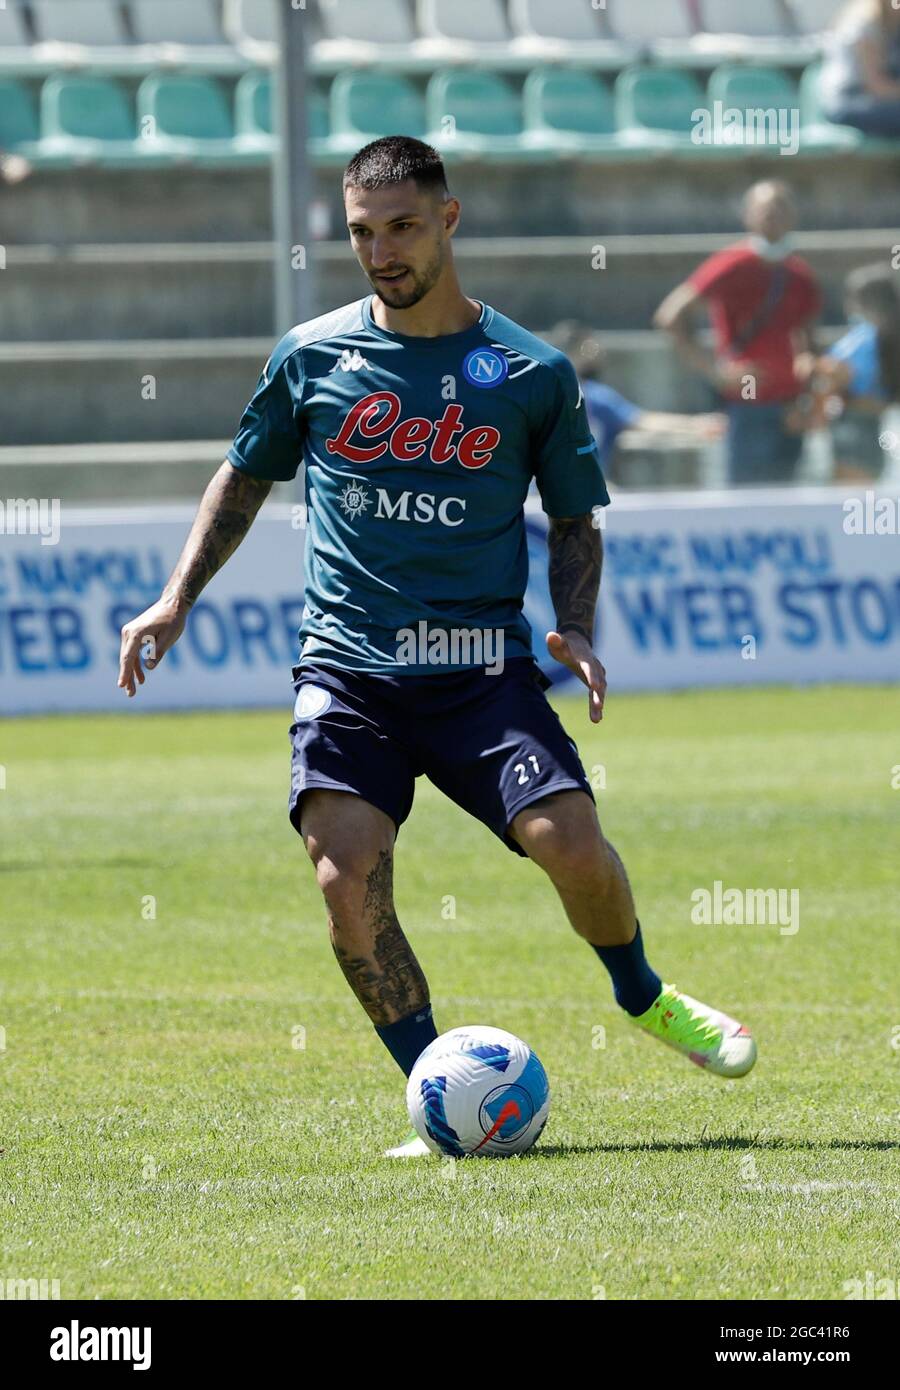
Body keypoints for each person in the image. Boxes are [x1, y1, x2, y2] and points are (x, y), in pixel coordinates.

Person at [117, 137, 756, 1159]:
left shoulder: (531, 373)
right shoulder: (312, 356)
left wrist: (577, 625)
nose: (381, 249)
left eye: (402, 226)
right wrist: (174, 599)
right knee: (343, 874)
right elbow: (242, 478)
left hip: (480, 671)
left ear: (448, 220)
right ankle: (434, 1091)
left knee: (573, 847)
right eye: (363, 232)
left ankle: (644, 994)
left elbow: (577, 515)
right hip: (348, 669)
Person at [654, 181, 821, 486]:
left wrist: (808, 394)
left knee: (789, 504)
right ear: (748, 216)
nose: (773, 216)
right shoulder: (731, 264)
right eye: (765, 210)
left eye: (780, 209)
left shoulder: (800, 273)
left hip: (790, 407)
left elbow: (808, 340)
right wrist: (714, 371)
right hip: (746, 405)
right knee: (746, 500)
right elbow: (670, 315)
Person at [550, 320, 724, 485]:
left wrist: (695, 425)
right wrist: (697, 424)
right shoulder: (588, 397)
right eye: (591, 349)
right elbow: (644, 421)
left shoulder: (590, 398)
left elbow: (641, 420)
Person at [806, 264, 900, 479]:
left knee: (852, 498)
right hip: (868, 422)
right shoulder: (883, 335)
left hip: (855, 423)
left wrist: (815, 366)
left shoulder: (867, 337)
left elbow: (841, 372)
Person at [819, 0, 900, 137]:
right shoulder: (865, 25)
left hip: (873, 100)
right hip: (849, 102)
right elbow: (878, 88)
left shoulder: (892, 25)